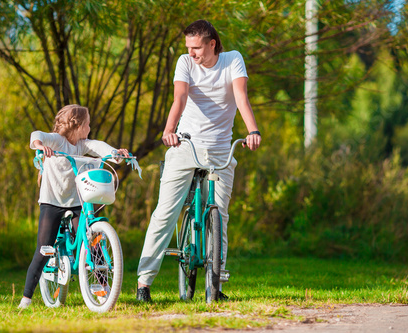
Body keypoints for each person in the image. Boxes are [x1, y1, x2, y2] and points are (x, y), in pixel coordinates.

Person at [136, 19, 261, 302]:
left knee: (221, 215)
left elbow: (241, 97)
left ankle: (215, 284)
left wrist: (252, 130)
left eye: (196, 48)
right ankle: (144, 283)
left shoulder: (232, 61)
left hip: (219, 151)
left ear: (212, 44)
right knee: (165, 213)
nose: (192, 53)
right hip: (186, 144)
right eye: (188, 48)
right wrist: (169, 130)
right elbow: (180, 97)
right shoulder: (185, 62)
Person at [18, 104, 129, 309]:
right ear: (77, 126)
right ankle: (26, 298)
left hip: (76, 200)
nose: (89, 128)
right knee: (44, 249)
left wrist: (117, 154)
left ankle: (104, 289)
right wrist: (40, 145)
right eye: (87, 124)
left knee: (92, 240)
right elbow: (37, 135)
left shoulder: (82, 144)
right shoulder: (57, 140)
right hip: (52, 199)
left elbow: (100, 147)